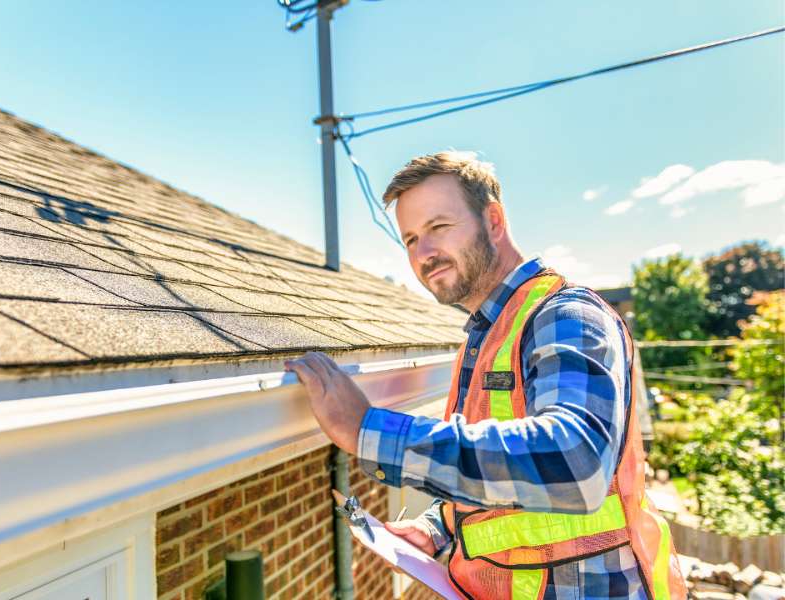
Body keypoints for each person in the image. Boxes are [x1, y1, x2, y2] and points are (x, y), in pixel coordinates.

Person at [285, 151, 686, 600]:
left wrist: (368, 430)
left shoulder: (563, 315)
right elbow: (502, 472)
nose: (424, 253)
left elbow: (577, 462)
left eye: (439, 227)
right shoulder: (486, 337)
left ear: (493, 219)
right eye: (411, 239)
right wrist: (437, 526)